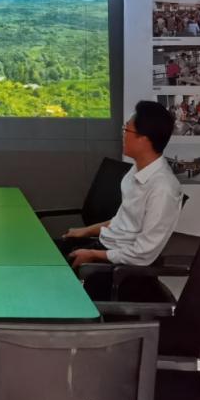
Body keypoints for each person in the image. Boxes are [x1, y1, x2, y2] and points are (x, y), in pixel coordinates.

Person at [64, 101, 182, 287]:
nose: (123, 135)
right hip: (105, 247)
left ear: (144, 139)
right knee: (43, 255)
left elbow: (142, 254)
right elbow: (122, 220)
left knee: (49, 276)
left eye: (127, 130)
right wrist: (85, 231)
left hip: (121, 270)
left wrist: (93, 255)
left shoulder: (163, 189)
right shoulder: (137, 171)